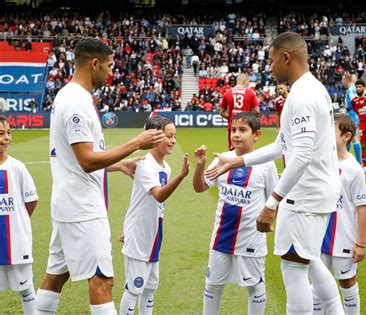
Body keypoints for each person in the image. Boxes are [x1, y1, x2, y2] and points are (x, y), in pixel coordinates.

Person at [206, 32, 344, 315]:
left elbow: (302, 154)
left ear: (286, 57)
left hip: (305, 196)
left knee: (293, 269)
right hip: (320, 192)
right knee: (312, 262)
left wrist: (272, 203)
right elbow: (283, 145)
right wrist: (236, 162)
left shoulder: (302, 95)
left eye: (271, 61)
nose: (269, 68)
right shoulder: (312, 89)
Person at [35, 38, 164, 315]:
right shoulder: (76, 103)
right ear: (94, 64)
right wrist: (136, 142)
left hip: (68, 201)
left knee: (56, 274)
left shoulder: (69, 96)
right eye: (108, 66)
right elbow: (86, 160)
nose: (111, 72)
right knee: (102, 280)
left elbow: (74, 158)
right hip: (83, 207)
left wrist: (121, 165)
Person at [193, 112, 278, 315]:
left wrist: (270, 220)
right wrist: (200, 165)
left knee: (255, 286)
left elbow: (274, 200)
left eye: (242, 130)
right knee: (213, 284)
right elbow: (200, 187)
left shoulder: (266, 165)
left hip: (251, 238)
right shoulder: (222, 159)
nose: (236, 135)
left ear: (256, 135)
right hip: (221, 236)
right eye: (233, 130)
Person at [120, 115, 189, 315]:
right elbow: (158, 196)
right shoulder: (145, 164)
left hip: (154, 234)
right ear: (155, 137)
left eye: (174, 136)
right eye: (169, 136)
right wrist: (181, 176)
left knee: (150, 288)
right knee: (134, 288)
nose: (173, 141)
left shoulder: (165, 167)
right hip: (140, 234)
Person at [310, 113, 366, 315]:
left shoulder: (354, 169)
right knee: (317, 282)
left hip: (344, 237)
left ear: (346, 136)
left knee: (347, 281)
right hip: (317, 235)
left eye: (330, 131)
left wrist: (360, 243)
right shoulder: (320, 161)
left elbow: (362, 207)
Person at [0, 115, 38, 314]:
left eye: (9, 133)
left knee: (26, 288)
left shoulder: (17, 167)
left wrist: (18, 221)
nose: (6, 138)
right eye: (1, 134)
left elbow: (31, 201)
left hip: (16, 241)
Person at [219, 73, 260, 150]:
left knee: (232, 150)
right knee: (246, 150)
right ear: (245, 81)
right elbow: (257, 111)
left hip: (233, 125)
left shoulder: (227, 92)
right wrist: (251, 119)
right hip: (246, 126)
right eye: (248, 82)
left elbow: (221, 112)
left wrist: (231, 117)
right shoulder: (250, 92)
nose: (248, 84)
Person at [342, 73, 362, 165]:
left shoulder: (350, 89)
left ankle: (357, 162)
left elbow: (354, 101)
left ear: (347, 80)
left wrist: (345, 111)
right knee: (350, 137)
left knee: (352, 138)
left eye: (343, 79)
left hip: (352, 115)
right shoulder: (353, 88)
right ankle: (352, 161)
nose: (342, 82)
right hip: (353, 114)